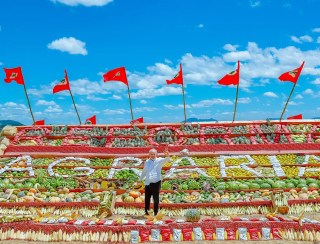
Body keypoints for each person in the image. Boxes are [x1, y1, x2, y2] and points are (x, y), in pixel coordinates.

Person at [138, 147, 170, 216]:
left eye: (154, 154)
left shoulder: (159, 160)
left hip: (156, 182)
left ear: (156, 154)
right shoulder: (147, 162)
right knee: (147, 198)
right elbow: (144, 171)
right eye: (151, 154)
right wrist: (140, 179)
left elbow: (167, 160)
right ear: (149, 154)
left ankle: (156, 213)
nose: (153, 155)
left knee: (156, 198)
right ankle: (146, 212)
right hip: (148, 182)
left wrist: (167, 155)